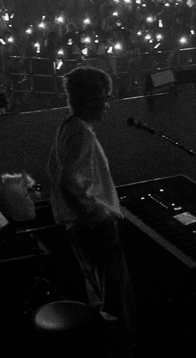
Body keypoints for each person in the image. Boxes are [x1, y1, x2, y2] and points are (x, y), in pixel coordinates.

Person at [44, 65, 133, 327]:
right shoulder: (81, 133)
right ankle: (120, 346)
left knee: (100, 296)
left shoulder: (68, 127)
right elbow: (69, 182)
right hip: (94, 230)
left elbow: (53, 171)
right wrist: (99, 216)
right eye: (106, 97)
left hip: (79, 227)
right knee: (117, 303)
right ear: (91, 99)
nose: (108, 105)